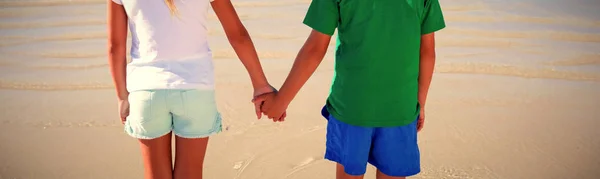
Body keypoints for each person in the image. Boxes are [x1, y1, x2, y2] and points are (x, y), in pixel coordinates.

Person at [254, 0, 446, 178]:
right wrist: (420, 102)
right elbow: (427, 51)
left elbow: (315, 49)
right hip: (401, 108)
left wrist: (280, 101)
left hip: (352, 106)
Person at [107, 0, 278, 178]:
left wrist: (122, 96)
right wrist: (260, 84)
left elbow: (115, 47)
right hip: (196, 88)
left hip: (147, 89)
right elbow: (237, 35)